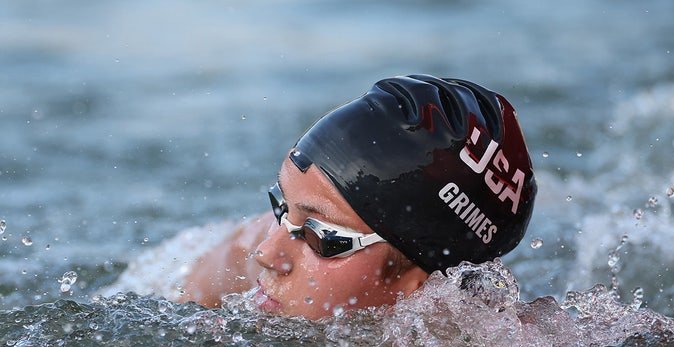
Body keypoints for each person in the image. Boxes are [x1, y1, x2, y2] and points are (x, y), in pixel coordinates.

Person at [112, 75, 537, 320]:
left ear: (420, 287)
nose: (268, 253)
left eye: (322, 238)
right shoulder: (239, 257)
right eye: (282, 207)